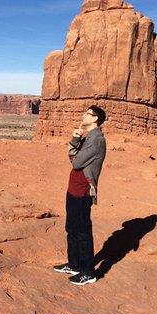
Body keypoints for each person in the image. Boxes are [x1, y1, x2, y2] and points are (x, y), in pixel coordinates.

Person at [53, 105, 107, 285]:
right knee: (72, 227)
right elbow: (74, 157)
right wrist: (75, 140)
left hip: (83, 190)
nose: (83, 116)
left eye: (87, 114)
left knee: (83, 231)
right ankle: (74, 264)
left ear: (95, 119)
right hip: (74, 188)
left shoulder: (96, 139)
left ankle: (88, 272)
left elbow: (76, 162)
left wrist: (74, 141)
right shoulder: (88, 137)